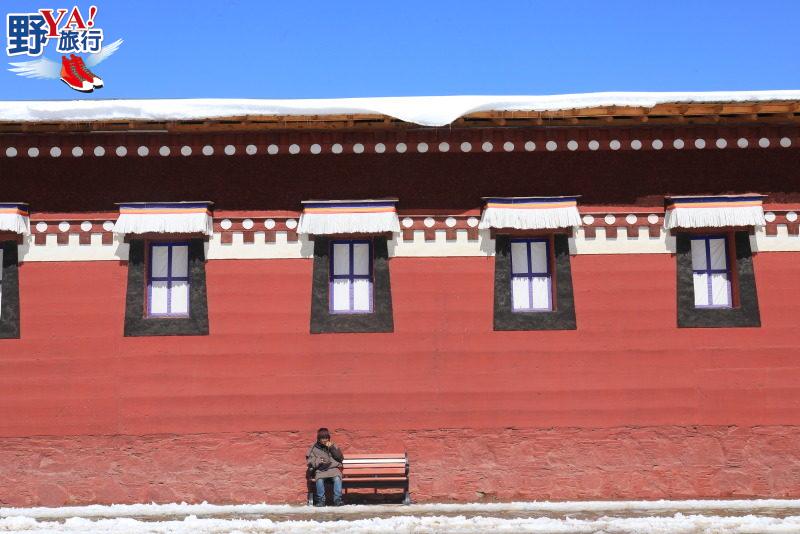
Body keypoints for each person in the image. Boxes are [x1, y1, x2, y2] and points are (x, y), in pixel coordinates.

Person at [307, 427, 345, 506]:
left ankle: (337, 499)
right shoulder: (314, 448)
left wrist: (332, 448)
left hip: (333, 468)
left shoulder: (333, 445)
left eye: (326, 438)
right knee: (319, 479)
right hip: (321, 469)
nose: (325, 440)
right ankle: (321, 500)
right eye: (322, 438)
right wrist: (318, 461)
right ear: (319, 439)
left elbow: (340, 457)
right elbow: (310, 461)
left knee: (337, 478)